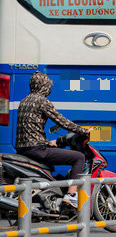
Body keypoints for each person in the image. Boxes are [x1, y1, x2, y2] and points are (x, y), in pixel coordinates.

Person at [16, 71, 91, 208]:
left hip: (23, 149)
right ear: (44, 85)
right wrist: (83, 130)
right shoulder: (42, 101)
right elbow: (61, 121)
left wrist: (47, 142)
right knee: (79, 157)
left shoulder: (24, 101)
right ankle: (71, 195)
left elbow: (29, 129)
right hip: (37, 149)